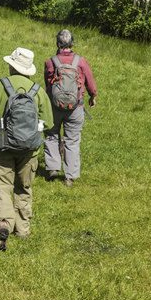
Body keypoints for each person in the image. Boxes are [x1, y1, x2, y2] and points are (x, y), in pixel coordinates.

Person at [0, 47, 52, 251]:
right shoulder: (37, 91)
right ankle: (23, 229)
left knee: (3, 187)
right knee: (24, 187)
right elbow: (49, 122)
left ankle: (4, 225)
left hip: (1, 148)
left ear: (11, 65)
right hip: (29, 151)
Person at [44, 29, 99, 187]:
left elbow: (48, 85)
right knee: (72, 140)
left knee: (51, 135)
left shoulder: (50, 62)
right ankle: (70, 176)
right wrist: (92, 96)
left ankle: (53, 168)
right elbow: (90, 82)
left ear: (57, 43)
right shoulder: (80, 62)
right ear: (72, 43)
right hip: (75, 107)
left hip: (54, 106)